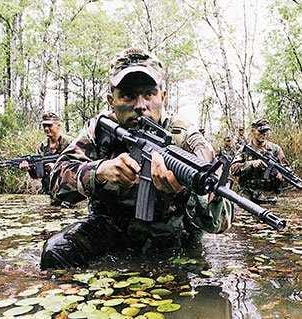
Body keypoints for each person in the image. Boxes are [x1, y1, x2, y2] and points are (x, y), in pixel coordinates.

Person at [40, 48, 233, 269]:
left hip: (173, 236)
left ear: (163, 96)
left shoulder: (186, 138)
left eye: (149, 94)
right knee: (56, 251)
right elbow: (57, 181)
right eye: (128, 95)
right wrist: (99, 172)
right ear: (111, 100)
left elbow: (220, 222)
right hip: (113, 230)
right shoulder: (98, 130)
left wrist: (185, 190)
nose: (140, 105)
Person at [231, 119, 289, 204]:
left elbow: (286, 168)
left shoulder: (275, 149)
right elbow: (233, 170)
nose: (264, 134)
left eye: (266, 131)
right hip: (247, 195)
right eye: (261, 131)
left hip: (270, 196)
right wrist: (250, 164)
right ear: (253, 131)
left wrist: (281, 175)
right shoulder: (244, 150)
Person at [19, 112, 71, 203]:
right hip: (52, 194)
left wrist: (56, 168)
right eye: (44, 126)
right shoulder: (43, 146)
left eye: (49, 125)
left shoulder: (70, 143)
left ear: (58, 125)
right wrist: (29, 168)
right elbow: (38, 175)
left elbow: (79, 167)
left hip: (71, 193)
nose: (46, 129)